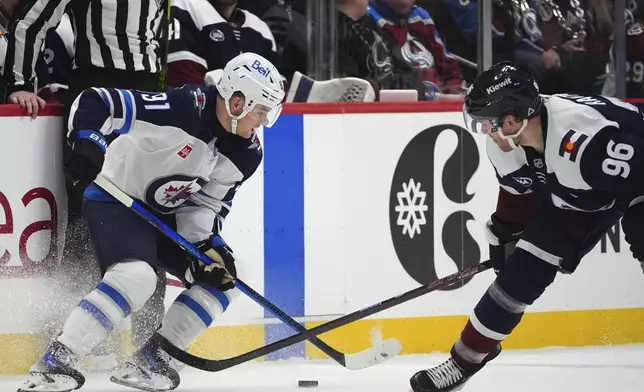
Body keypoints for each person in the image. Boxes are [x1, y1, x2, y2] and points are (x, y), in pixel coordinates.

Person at [16, 52, 285, 392]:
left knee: (229, 278)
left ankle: (153, 359)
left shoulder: (246, 153)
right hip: (117, 198)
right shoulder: (184, 107)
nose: (261, 122)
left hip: (167, 219)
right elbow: (97, 101)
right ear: (236, 102)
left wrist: (207, 246)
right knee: (136, 278)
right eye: (259, 111)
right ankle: (55, 361)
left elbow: (205, 204)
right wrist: (88, 142)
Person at [409, 61, 644, 391]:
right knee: (519, 276)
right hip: (577, 197)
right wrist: (506, 232)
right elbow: (518, 194)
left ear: (513, 117)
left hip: (633, 183)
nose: (485, 133)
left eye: (488, 124)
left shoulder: (583, 143)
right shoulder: (506, 143)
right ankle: (463, 361)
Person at [167, 0, 279, 87]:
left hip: (252, 114)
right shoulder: (184, 8)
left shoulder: (260, 28)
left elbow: (279, 86)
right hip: (203, 114)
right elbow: (181, 79)